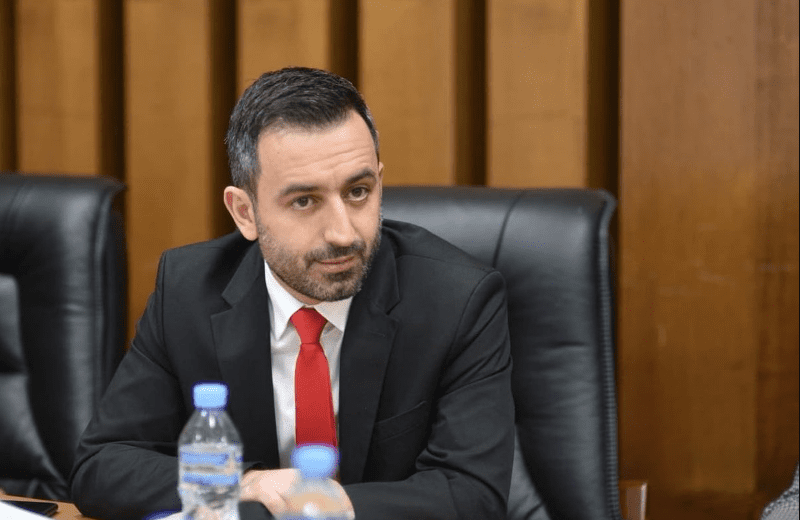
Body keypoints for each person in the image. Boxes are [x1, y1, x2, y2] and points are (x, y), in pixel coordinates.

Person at [69, 67, 514, 520]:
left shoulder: (457, 301)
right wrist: (246, 484)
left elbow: (473, 494)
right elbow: (102, 464)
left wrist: (320, 507)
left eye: (358, 191)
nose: (343, 233)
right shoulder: (189, 292)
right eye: (304, 201)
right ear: (245, 213)